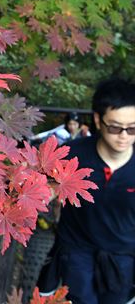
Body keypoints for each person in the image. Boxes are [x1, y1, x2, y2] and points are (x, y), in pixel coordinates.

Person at [47, 78, 135, 303]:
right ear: (98, 119)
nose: (124, 136)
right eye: (115, 127)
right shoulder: (70, 154)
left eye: (132, 128)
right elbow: (41, 189)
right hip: (77, 253)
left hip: (123, 258)